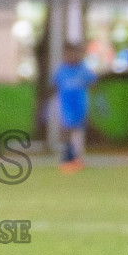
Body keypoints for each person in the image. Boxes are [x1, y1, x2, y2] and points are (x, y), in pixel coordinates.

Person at [53, 43, 95, 173]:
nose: (71, 57)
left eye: (74, 54)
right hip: (66, 106)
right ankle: (69, 158)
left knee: (76, 132)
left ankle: (73, 158)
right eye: (68, 54)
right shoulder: (62, 71)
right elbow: (54, 86)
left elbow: (93, 83)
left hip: (80, 105)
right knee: (66, 131)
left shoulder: (83, 70)